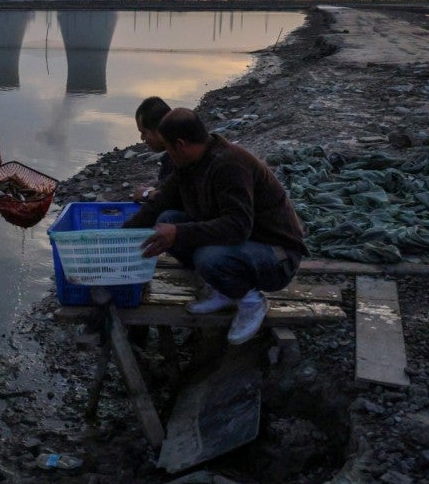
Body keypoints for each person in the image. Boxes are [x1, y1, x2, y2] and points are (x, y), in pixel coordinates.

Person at [124, 107, 307, 345]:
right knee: (167, 218)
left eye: (169, 149)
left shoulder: (230, 165)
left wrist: (180, 233)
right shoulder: (189, 163)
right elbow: (160, 203)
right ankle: (225, 290)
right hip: (244, 243)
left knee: (207, 257)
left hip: (277, 256)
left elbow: (237, 226)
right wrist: (119, 235)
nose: (168, 155)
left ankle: (251, 301)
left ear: (180, 145)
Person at [131, 96, 173, 204]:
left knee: (166, 216)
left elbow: (173, 197)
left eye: (144, 132)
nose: (142, 138)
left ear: (158, 130)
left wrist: (146, 193)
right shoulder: (169, 158)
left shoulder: (182, 158)